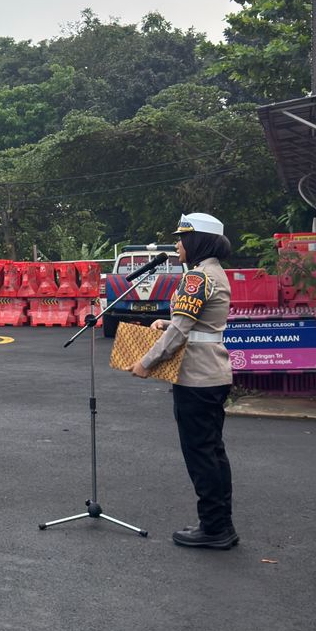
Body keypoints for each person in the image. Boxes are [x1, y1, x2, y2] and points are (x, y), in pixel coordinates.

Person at [132, 212, 238, 550]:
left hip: (197, 378)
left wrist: (146, 362)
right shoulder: (213, 273)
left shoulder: (197, 277)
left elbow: (181, 330)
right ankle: (219, 523)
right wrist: (168, 323)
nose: (177, 245)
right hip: (211, 374)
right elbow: (194, 323)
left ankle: (215, 528)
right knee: (212, 452)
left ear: (197, 241)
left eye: (181, 238)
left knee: (201, 455)